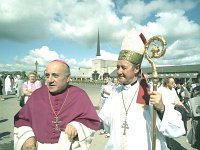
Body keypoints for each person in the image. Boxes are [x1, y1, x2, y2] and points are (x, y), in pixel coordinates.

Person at [98, 28, 185, 150]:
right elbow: (103, 120)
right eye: (118, 67)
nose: (119, 71)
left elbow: (177, 128)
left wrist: (161, 108)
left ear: (136, 69)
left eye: (123, 67)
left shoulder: (150, 93)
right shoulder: (115, 93)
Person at [14, 60, 100, 150]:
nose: (50, 80)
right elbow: (21, 119)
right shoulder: (37, 95)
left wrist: (77, 126)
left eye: (55, 75)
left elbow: (91, 121)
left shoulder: (79, 95)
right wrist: (28, 138)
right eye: (47, 75)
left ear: (68, 78)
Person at [99, 73, 113, 137]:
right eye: (104, 79)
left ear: (109, 78)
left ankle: (109, 131)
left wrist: (108, 92)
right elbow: (101, 93)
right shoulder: (102, 85)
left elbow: (114, 93)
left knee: (109, 116)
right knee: (103, 115)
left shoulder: (112, 85)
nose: (105, 80)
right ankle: (104, 129)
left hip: (109, 101)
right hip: (103, 101)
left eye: (106, 78)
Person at [188, 72, 200, 149]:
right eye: (199, 78)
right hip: (197, 116)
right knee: (197, 137)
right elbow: (191, 102)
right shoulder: (195, 90)